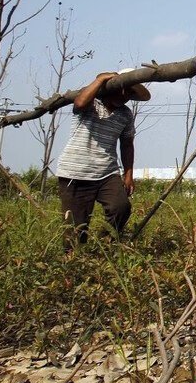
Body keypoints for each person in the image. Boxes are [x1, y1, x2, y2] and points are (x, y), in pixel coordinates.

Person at [56, 69, 150, 248]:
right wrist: (99, 79)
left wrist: (128, 174)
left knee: (121, 207)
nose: (125, 95)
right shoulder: (91, 103)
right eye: (123, 88)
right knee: (76, 229)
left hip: (107, 173)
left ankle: (104, 246)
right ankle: (75, 262)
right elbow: (79, 103)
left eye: (130, 92)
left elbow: (127, 144)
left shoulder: (125, 114)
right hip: (75, 173)